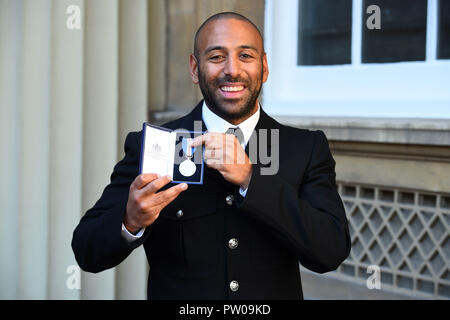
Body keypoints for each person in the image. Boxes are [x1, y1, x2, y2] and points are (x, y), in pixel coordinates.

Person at [72, 12, 351, 300]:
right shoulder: (157, 145)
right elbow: (86, 251)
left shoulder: (304, 148)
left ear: (264, 67)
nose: (232, 70)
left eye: (246, 56)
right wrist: (129, 220)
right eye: (217, 57)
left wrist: (251, 179)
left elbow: (330, 252)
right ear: (195, 68)